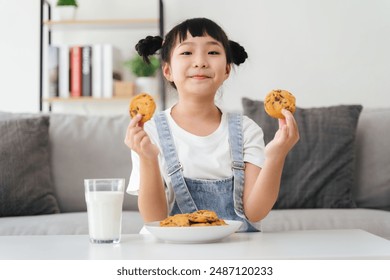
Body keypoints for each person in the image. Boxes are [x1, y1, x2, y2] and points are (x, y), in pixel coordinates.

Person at [125, 17, 299, 232]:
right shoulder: (148, 133)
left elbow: (255, 212)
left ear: (227, 69)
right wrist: (147, 158)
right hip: (171, 252)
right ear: (167, 70)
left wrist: (276, 156)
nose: (200, 62)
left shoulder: (246, 130)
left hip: (236, 251)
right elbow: (155, 220)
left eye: (213, 52)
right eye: (187, 52)